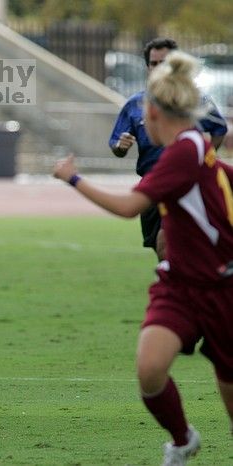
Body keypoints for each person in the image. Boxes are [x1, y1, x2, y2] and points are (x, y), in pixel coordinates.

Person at [55, 51, 233, 465]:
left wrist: (72, 178)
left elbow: (129, 206)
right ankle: (183, 438)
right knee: (150, 370)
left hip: (223, 287)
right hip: (179, 285)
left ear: (152, 112)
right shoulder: (192, 145)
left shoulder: (183, 151)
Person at [109, 38, 228, 260]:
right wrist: (120, 146)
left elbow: (219, 129)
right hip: (153, 184)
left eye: (165, 63)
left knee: (168, 244)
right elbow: (116, 144)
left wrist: (207, 159)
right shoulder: (136, 104)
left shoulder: (196, 107)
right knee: (163, 249)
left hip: (185, 186)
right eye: (154, 63)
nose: (159, 69)